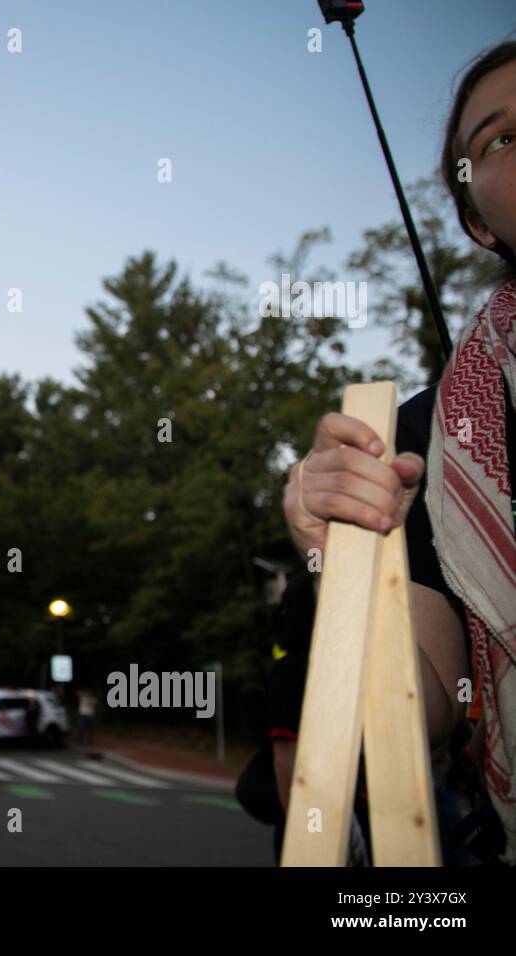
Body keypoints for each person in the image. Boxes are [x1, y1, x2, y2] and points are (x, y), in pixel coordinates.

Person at [282, 40, 516, 865]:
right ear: (477, 214)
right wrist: (341, 561)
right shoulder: (421, 440)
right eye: (499, 138)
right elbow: (414, 712)